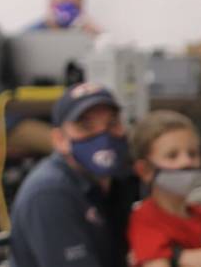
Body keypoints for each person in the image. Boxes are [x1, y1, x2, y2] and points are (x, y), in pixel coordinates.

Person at [9, 83, 138, 267]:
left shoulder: (119, 179)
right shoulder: (50, 193)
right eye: (86, 126)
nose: (103, 136)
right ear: (59, 139)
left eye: (112, 123)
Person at [127, 110, 201, 267]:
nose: (186, 162)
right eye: (172, 155)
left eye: (193, 153)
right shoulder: (144, 218)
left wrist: (175, 256)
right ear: (145, 170)